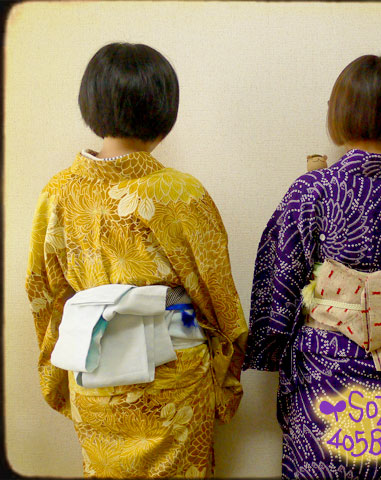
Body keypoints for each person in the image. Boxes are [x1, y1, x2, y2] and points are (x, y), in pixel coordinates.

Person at [25, 42, 248, 478]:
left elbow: (44, 293)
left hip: (94, 373)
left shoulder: (58, 192)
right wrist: (228, 368)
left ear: (91, 103)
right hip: (175, 379)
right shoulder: (182, 193)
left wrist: (58, 370)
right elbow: (218, 297)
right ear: (163, 111)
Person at [244, 55, 381, 479]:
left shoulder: (313, 188)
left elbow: (282, 277)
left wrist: (268, 347)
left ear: (339, 112)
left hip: (327, 371)